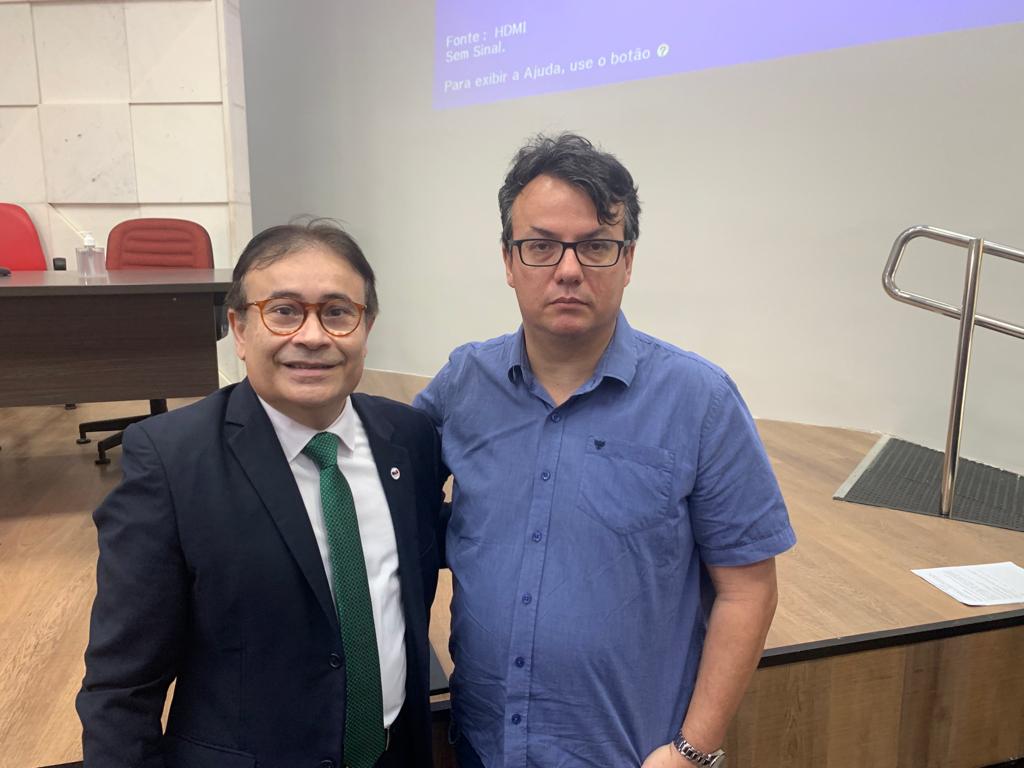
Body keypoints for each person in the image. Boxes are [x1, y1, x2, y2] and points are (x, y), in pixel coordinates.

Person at [414, 134, 796, 768]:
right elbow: (386, 488)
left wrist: (692, 750)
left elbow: (748, 590)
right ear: (508, 261)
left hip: (628, 755)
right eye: (540, 246)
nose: (568, 270)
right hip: (484, 745)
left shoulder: (699, 399)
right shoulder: (463, 383)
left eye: (595, 246)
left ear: (628, 259)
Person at [77, 221, 445, 768]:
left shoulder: (410, 440)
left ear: (366, 327)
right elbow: (122, 687)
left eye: (338, 312)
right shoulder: (171, 461)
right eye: (284, 311)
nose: (313, 336)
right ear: (240, 329)